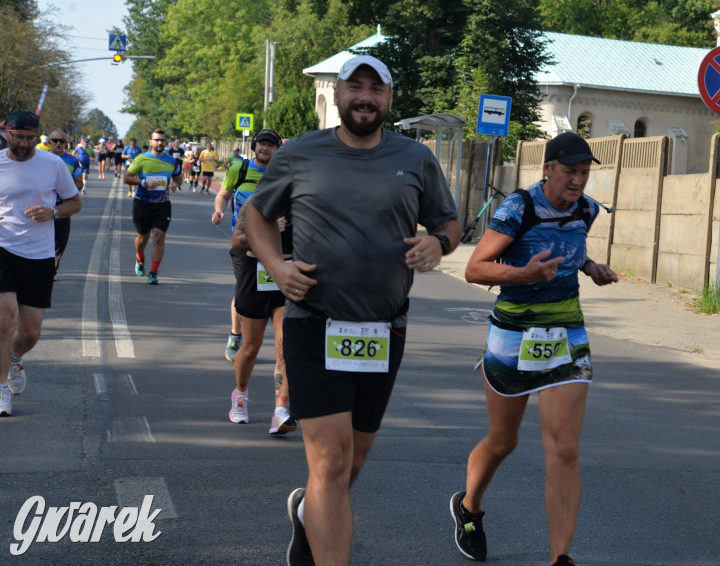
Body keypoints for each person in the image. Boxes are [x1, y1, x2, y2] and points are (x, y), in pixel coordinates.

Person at [244, 55, 460, 565]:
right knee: (331, 461)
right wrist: (277, 266)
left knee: (351, 463)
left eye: (376, 89)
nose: (365, 97)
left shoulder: (416, 157)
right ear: (337, 95)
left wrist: (439, 245)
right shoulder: (299, 153)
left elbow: (448, 223)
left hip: (384, 330)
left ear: (388, 98)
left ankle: (307, 514)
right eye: (355, 87)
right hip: (312, 323)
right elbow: (257, 214)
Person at [451, 132, 617, 566]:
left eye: (584, 172)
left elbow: (572, 248)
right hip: (514, 336)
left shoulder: (587, 209)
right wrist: (526, 275)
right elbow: (475, 268)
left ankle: (560, 558)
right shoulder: (517, 208)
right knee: (503, 441)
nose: (577, 181)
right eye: (569, 172)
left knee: (564, 447)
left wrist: (590, 266)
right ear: (547, 170)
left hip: (566, 335)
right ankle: (468, 507)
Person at [212, 128, 295, 434]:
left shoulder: (302, 202)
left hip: (287, 278)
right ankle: (241, 395)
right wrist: (267, 230)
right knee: (251, 347)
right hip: (255, 274)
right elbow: (237, 242)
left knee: (287, 346)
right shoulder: (255, 204)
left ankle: (281, 410)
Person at [0, 110, 82, 416]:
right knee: (4, 321)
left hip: (38, 254)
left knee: (30, 332)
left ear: (39, 136)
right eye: (17, 136)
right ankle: (1, 390)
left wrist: (53, 213)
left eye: (30, 137)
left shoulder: (53, 164)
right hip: (3, 247)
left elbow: (74, 202)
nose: (23, 143)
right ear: (5, 132)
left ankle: (14, 359)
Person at [124, 128, 182, 285]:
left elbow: (178, 179)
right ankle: (140, 256)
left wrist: (175, 184)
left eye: (162, 140)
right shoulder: (142, 159)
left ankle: (153, 272)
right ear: (150, 142)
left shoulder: (172, 161)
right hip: (142, 203)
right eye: (156, 140)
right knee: (143, 237)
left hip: (162, 205)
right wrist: (144, 182)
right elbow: (127, 178)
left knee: (159, 237)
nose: (160, 143)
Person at [47, 130, 84, 280]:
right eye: (55, 140)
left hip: (62, 206)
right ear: (49, 141)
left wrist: (67, 190)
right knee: (43, 239)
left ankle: (53, 268)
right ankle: (46, 268)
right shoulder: (39, 158)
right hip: (42, 205)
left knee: (60, 240)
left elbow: (79, 183)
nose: (58, 144)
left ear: (66, 143)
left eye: (62, 141)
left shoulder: (72, 161)